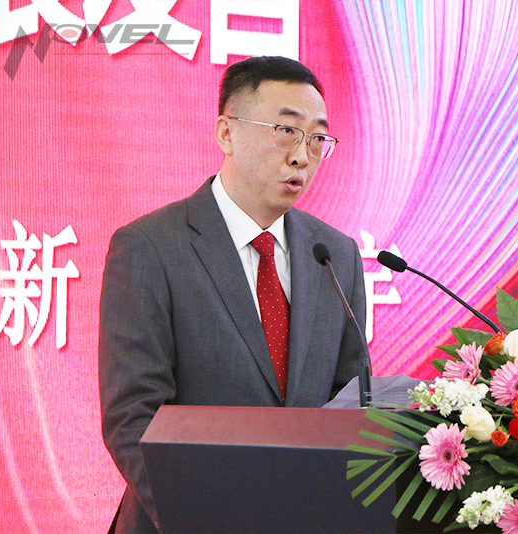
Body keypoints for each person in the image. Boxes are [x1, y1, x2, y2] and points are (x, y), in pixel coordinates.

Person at [98, 56, 366, 534]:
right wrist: (206, 518)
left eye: (317, 138)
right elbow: (132, 415)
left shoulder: (335, 255)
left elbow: (350, 405)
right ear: (226, 133)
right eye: (287, 131)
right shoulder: (151, 247)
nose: (302, 156)